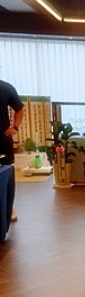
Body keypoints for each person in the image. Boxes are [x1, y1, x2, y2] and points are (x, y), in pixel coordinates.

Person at [0, 79, 24, 221]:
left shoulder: (6, 88)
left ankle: (9, 207)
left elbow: (19, 109)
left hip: (2, 140)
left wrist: (14, 127)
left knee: (7, 175)